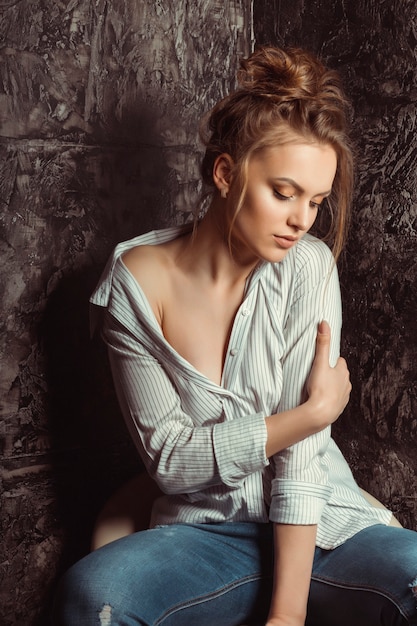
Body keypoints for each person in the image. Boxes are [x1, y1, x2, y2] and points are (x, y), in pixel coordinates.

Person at [53, 46, 417, 626]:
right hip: (207, 538)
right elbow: (169, 460)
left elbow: (301, 468)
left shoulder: (308, 267)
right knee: (92, 596)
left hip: (323, 528)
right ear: (226, 174)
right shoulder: (135, 284)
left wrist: (286, 617)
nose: (302, 220)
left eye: (317, 202)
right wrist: (308, 414)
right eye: (284, 192)